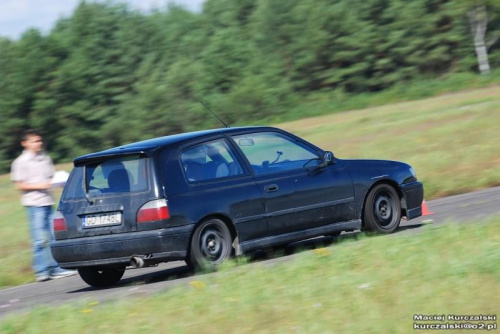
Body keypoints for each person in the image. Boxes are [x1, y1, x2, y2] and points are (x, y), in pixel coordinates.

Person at [10, 129, 76, 282]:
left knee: (54, 236)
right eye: (34, 141)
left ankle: (57, 268)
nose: (38, 143)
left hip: (48, 202)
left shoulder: (45, 158)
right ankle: (41, 271)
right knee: (39, 239)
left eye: (39, 140)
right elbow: (19, 185)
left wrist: (60, 182)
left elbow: (51, 178)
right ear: (25, 143)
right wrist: (41, 185)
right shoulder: (20, 162)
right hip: (34, 205)